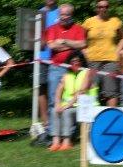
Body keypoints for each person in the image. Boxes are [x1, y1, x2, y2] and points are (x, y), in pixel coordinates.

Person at [45, 4, 86, 136]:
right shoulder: (52, 28)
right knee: (53, 99)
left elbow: (82, 44)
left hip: (73, 70)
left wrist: (63, 41)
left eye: (66, 14)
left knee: (71, 100)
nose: (63, 17)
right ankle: (53, 133)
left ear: (71, 15)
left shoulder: (78, 29)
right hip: (56, 67)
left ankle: (69, 133)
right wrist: (72, 45)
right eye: (61, 14)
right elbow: (52, 46)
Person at [49, 51, 97, 152]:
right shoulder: (66, 74)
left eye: (77, 61)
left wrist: (68, 105)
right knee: (54, 110)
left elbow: (82, 91)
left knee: (67, 112)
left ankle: (67, 141)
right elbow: (58, 90)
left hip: (85, 106)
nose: (75, 63)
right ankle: (56, 141)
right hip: (70, 105)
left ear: (82, 62)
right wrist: (57, 104)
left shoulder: (87, 72)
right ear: (69, 63)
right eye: (73, 61)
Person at [82, 1, 123, 106]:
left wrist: (118, 51)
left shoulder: (115, 21)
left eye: (106, 7)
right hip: (92, 59)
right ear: (96, 8)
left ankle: (111, 114)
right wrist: (85, 52)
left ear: (108, 8)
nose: (103, 9)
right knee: (91, 88)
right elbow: (81, 40)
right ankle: (89, 115)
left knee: (111, 91)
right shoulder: (89, 22)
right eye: (100, 7)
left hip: (110, 60)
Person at [37, 0, 60, 134]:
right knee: (42, 88)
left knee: (58, 88)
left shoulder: (61, 12)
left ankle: (57, 119)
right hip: (41, 56)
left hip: (58, 57)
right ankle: (46, 122)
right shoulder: (38, 13)